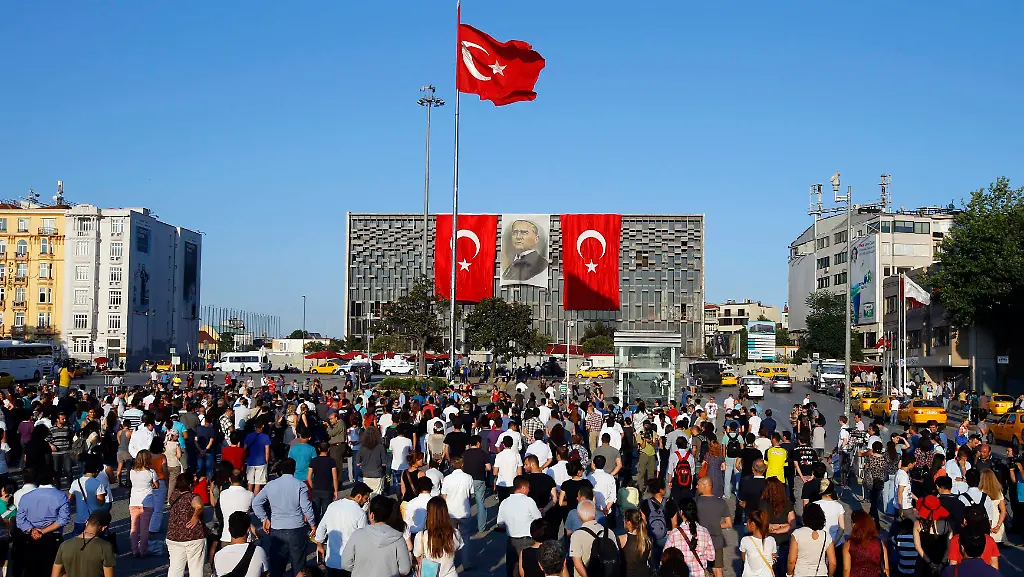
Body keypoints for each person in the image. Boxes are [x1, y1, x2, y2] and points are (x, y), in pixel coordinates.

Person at [252, 458, 317, 577]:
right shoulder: (300, 485)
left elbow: (256, 502)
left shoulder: (271, 485)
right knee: (299, 567)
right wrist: (312, 523)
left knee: (277, 567)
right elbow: (306, 507)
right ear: (294, 469)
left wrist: (264, 518)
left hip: (277, 529)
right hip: (297, 528)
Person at [341, 495, 412, 577]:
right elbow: (405, 569)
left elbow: (345, 563)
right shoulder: (398, 538)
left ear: (372, 515)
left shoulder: (357, 535)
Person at [315, 481, 371, 577]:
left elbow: (321, 528)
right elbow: (363, 539)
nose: (366, 501)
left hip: (331, 560)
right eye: (365, 498)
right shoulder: (360, 513)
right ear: (358, 496)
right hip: (349, 563)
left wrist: (319, 545)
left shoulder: (332, 506)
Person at [497, 475, 543, 577]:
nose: (529, 490)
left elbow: (500, 524)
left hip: (511, 541)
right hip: (527, 541)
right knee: (529, 570)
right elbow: (539, 520)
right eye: (528, 487)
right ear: (523, 487)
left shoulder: (504, 502)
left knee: (512, 569)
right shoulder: (529, 501)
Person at [51, 510, 116, 577]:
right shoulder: (106, 547)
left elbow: (55, 575)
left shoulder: (64, 545)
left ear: (86, 522)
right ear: (103, 528)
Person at [166, 473, 208, 577]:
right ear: (190, 485)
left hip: (173, 536)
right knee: (195, 568)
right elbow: (199, 505)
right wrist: (195, 516)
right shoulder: (192, 497)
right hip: (193, 537)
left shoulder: (173, 496)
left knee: (175, 568)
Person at [413, 497, 464, 577]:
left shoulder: (421, 536)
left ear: (429, 514)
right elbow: (457, 550)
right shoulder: (455, 533)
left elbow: (417, 556)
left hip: (429, 574)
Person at [441, 455, 476, 570]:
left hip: (450, 512)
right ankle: (466, 562)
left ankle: (452, 562)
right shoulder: (468, 478)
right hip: (464, 511)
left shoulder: (447, 479)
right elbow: (471, 495)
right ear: (462, 465)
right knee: (465, 537)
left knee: (450, 538)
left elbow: (444, 496)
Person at [664, 498, 714, 577]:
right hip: (700, 574)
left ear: (681, 512)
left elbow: (666, 555)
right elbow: (711, 557)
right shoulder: (704, 531)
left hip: (682, 573)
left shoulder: (675, 533)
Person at [568, 499, 618, 577]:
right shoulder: (609, 532)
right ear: (595, 513)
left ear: (578, 515)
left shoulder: (577, 535)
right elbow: (616, 554)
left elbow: (577, 564)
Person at [214, 511, 270, 577]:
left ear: (229, 530)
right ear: (248, 530)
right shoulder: (258, 551)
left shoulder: (218, 555)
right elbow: (266, 574)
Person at [695, 476, 731, 577]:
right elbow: (729, 523)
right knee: (717, 570)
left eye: (698, 484)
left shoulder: (695, 502)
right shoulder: (721, 502)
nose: (696, 486)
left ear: (705, 486)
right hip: (716, 540)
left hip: (699, 540)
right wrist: (716, 525)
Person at [788, 502, 835, 577]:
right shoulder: (826, 536)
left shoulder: (797, 534)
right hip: (821, 573)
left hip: (801, 574)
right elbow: (833, 563)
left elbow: (792, 560)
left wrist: (789, 574)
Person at [640, 478, 678, 568]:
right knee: (667, 561)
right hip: (667, 535)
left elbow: (643, 522)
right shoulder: (670, 503)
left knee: (653, 561)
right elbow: (675, 523)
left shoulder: (645, 503)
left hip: (651, 536)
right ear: (661, 490)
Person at [128, 449, 159, 556]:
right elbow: (157, 485)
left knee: (134, 527)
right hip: (147, 503)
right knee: (145, 528)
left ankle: (134, 550)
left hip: (134, 501)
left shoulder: (132, 472)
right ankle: (143, 550)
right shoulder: (151, 473)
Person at [842, 510, 889, 577]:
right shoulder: (879, 542)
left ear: (855, 524)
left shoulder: (849, 544)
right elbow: (886, 568)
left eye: (852, 522)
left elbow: (846, 569)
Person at [913, 495, 951, 576]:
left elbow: (918, 547)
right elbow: (949, 548)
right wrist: (941, 565)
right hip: (941, 561)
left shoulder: (918, 524)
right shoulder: (946, 524)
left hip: (923, 563)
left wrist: (930, 564)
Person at [68, 457, 108, 535]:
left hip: (79, 519)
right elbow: (101, 502)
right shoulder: (98, 483)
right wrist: (104, 494)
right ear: (96, 471)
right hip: (93, 520)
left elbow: (70, 500)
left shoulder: (75, 482)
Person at [219, 469, 255, 544]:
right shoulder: (250, 494)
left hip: (227, 536)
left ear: (229, 479)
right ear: (242, 479)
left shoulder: (223, 494)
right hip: (245, 538)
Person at [739, 510, 777, 577]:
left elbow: (744, 558)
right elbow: (773, 557)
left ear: (753, 525)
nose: (746, 525)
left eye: (747, 523)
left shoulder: (745, 540)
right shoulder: (771, 540)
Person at [309, 441, 339, 522]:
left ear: (318, 449)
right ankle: (325, 531)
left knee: (316, 512)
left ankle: (315, 530)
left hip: (316, 489)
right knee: (326, 514)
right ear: (328, 449)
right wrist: (336, 491)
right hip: (327, 489)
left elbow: (308, 477)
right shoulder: (331, 461)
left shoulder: (313, 461)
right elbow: (335, 478)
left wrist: (313, 487)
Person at [356, 426, 387, 497]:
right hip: (377, 474)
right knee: (376, 497)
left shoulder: (362, 447)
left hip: (365, 474)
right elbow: (384, 463)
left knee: (366, 497)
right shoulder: (380, 446)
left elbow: (357, 463)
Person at [244, 418, 272, 495]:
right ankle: (255, 500)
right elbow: (267, 452)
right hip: (261, 462)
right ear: (262, 426)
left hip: (250, 461)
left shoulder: (249, 436)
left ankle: (249, 499)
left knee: (250, 482)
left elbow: (245, 449)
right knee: (258, 483)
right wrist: (267, 462)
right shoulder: (266, 437)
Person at [978, 469, 1007, 542]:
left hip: (984, 520)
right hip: (996, 520)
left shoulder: (980, 492)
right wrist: (998, 526)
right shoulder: (998, 492)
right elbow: (1003, 511)